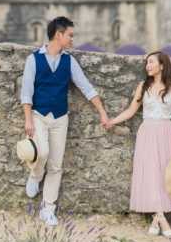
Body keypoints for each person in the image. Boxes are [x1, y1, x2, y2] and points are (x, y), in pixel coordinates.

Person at [20, 16, 109, 226]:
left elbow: (86, 87)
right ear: (58, 35)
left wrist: (102, 112)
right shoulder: (33, 59)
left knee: (56, 165)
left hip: (61, 118)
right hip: (39, 116)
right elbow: (26, 93)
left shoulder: (69, 61)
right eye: (70, 35)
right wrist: (28, 120)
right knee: (41, 153)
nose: (72, 39)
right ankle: (35, 174)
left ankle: (47, 208)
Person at [106, 50, 171, 237]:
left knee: (164, 174)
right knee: (151, 173)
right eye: (146, 63)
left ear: (162, 65)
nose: (148, 66)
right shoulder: (142, 86)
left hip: (167, 132)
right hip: (147, 133)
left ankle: (156, 219)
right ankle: (162, 219)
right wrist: (113, 121)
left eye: (151, 62)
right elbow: (131, 110)